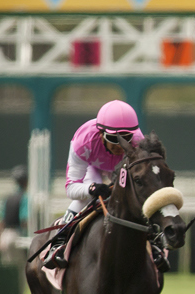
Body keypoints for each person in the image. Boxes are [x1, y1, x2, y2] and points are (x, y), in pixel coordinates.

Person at [41, 100, 157, 269]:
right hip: (91, 167)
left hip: (118, 168)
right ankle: (59, 242)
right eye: (113, 138)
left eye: (125, 138)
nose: (120, 145)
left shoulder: (138, 143)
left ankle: (155, 244)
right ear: (101, 133)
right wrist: (91, 189)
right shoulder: (83, 142)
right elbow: (71, 188)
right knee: (86, 196)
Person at [0, 165, 28, 265]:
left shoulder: (6, 198)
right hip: (17, 235)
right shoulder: (25, 198)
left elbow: (0, 220)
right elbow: (24, 220)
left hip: (4, 236)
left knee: (7, 269)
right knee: (21, 268)